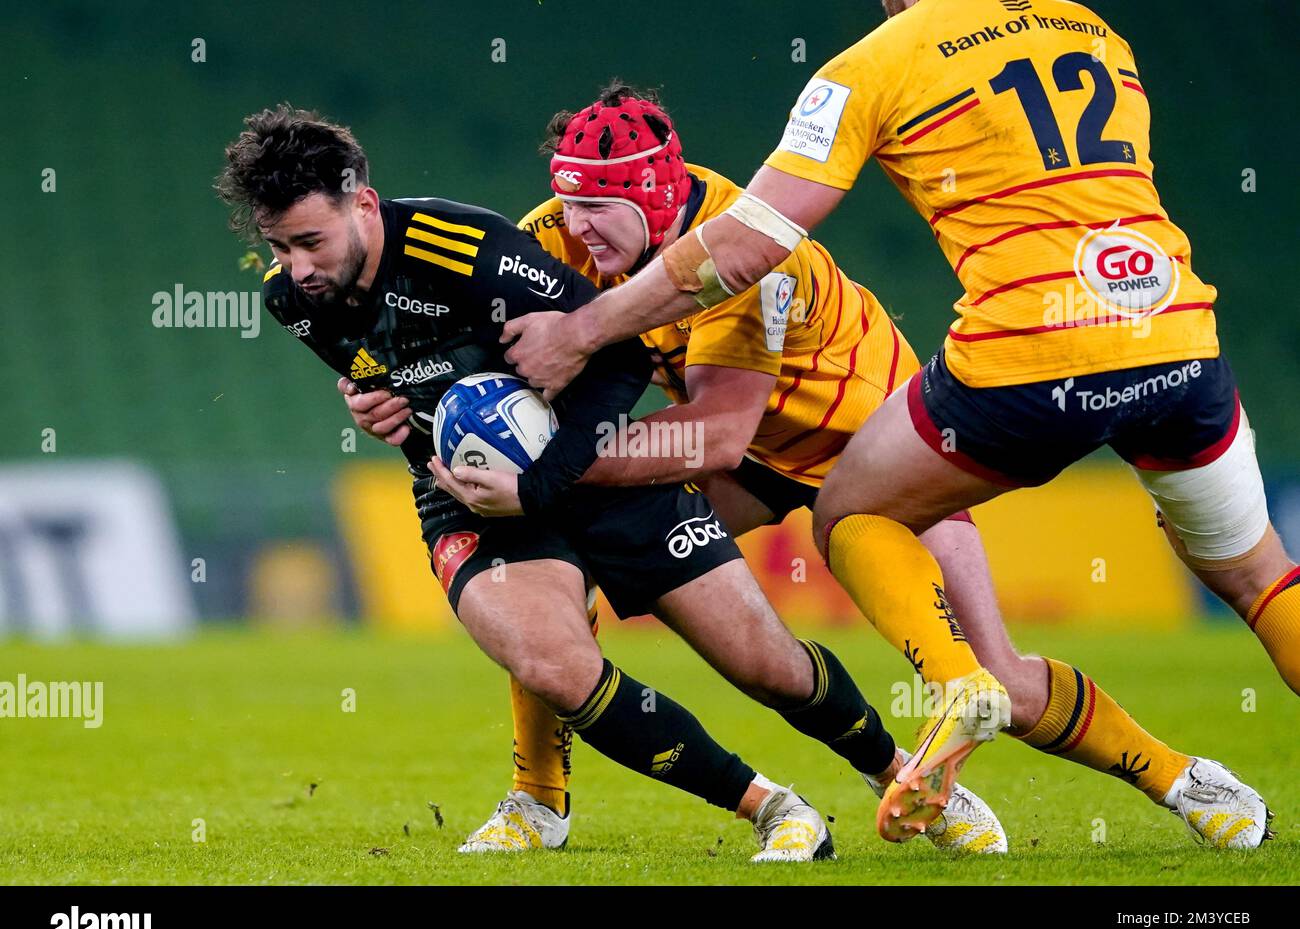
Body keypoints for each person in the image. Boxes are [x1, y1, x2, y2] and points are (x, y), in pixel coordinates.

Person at [347, 82, 1268, 850]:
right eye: (571, 200)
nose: (579, 227)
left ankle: (1188, 784)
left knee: (996, 679)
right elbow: (475, 352)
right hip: (750, 456)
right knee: (558, 575)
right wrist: (392, 393)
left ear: (661, 195)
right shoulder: (547, 238)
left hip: (889, 453)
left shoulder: (741, 251)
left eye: (603, 206)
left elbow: (706, 434)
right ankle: (537, 799)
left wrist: (554, 468)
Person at [216, 103, 984, 863]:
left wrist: (548, 475)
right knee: (553, 661)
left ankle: (906, 776)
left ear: (363, 205)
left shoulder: (469, 246)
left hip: (596, 460)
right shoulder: (294, 300)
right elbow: (378, 378)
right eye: (282, 248)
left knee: (765, 663)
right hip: (470, 496)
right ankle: (762, 808)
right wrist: (375, 404)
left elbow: (623, 363)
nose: (300, 268)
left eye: (311, 242)